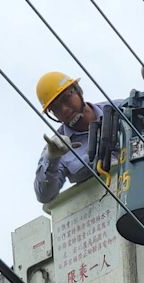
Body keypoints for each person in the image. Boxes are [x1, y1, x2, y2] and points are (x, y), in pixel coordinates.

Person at [34, 71, 120, 203]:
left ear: (78, 91)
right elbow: (45, 196)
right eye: (55, 108)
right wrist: (52, 158)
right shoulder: (57, 147)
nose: (64, 109)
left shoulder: (122, 109)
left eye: (65, 98)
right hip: (105, 208)